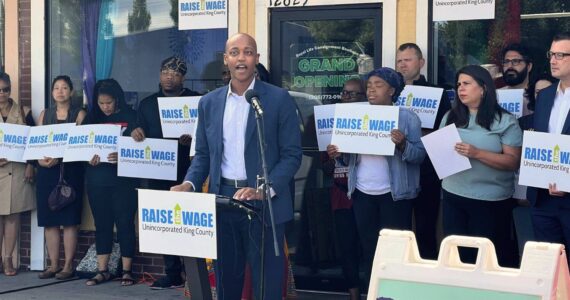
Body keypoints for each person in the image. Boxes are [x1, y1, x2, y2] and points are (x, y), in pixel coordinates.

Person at [170, 33, 302, 300]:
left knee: (267, 286)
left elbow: (291, 155)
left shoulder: (278, 99)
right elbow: (204, 155)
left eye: (248, 52)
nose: (241, 58)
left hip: (265, 206)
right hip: (223, 202)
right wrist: (189, 183)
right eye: (235, 52)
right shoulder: (209, 103)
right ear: (226, 59)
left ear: (256, 59)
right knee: (227, 283)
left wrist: (265, 189)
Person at [327, 67, 425, 285]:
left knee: (395, 252)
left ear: (391, 90)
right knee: (370, 249)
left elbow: (419, 156)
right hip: (362, 193)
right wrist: (338, 154)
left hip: (395, 195)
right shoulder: (355, 114)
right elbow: (348, 159)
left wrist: (402, 145)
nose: (371, 90)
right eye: (369, 86)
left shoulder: (407, 118)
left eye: (378, 85)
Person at [130, 56, 200, 289]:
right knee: (166, 223)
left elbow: (205, 133)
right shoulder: (148, 103)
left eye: (175, 73)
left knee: (189, 223)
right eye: (165, 72)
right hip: (158, 170)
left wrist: (192, 138)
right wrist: (136, 131)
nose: (169, 77)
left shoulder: (194, 100)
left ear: (183, 77)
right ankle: (172, 273)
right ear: (159, 75)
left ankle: (194, 274)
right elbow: (137, 128)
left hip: (188, 171)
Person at [441, 65, 522, 265]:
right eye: (459, 84)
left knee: (485, 262)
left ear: (484, 88)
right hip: (453, 196)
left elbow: (513, 162)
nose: (461, 88)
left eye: (467, 84)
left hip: (490, 202)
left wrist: (477, 153)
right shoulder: (450, 116)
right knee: (457, 260)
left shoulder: (505, 121)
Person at [396, 43, 452, 259]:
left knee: (426, 227)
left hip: (427, 170)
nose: (402, 64)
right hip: (398, 169)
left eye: (407, 60)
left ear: (421, 63)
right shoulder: (390, 92)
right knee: (398, 229)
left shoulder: (437, 92)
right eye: (399, 60)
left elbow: (446, 130)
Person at [83, 79, 139, 286]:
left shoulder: (131, 117)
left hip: (124, 181)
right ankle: (102, 270)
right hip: (97, 180)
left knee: (125, 224)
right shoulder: (91, 119)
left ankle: (126, 271)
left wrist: (125, 153)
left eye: (109, 103)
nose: (105, 107)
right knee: (102, 225)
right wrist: (88, 157)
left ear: (117, 100)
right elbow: (80, 148)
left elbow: (143, 148)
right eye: (101, 103)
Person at [36, 75, 86, 280]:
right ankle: (53, 265)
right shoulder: (44, 114)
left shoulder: (79, 114)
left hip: (71, 171)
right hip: (47, 172)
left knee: (69, 221)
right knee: (50, 221)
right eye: (56, 88)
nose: (60, 91)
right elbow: (38, 143)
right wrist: (40, 161)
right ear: (52, 92)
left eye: (64, 87)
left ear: (71, 91)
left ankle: (68, 266)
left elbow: (81, 144)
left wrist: (61, 156)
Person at [527, 32, 570, 261]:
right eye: (552, 54)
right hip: (542, 200)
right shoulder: (544, 96)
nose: (553, 60)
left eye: (561, 55)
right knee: (551, 268)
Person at [322, 78, 366, 300]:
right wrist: (332, 158)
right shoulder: (331, 123)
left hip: (367, 195)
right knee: (347, 249)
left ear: (364, 97)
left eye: (353, 94)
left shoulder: (371, 123)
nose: (346, 97)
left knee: (369, 248)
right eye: (344, 93)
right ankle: (353, 295)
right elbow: (326, 169)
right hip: (340, 196)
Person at [0, 72, 35, 276]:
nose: (2, 93)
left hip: (18, 171)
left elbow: (35, 141)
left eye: (5, 89)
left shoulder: (24, 111)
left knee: (13, 217)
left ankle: (8, 261)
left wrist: (32, 164)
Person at [500, 43, 534, 116]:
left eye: (515, 61)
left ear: (529, 66)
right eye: (506, 62)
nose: (510, 66)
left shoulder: (537, 94)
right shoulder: (495, 96)